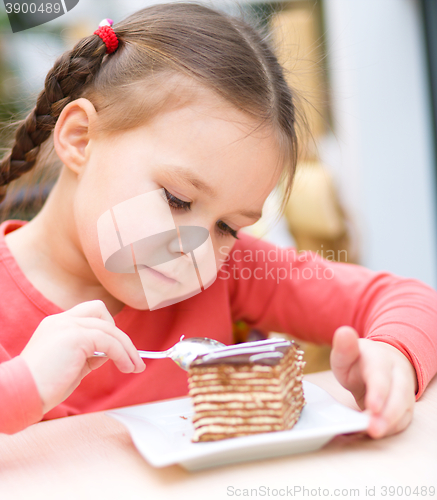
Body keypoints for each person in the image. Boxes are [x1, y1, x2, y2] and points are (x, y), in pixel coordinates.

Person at [0, 3, 436, 439]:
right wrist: (26, 385)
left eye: (228, 227)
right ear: (80, 138)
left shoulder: (231, 272)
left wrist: (394, 355)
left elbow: (411, 300)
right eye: (177, 199)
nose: (198, 251)